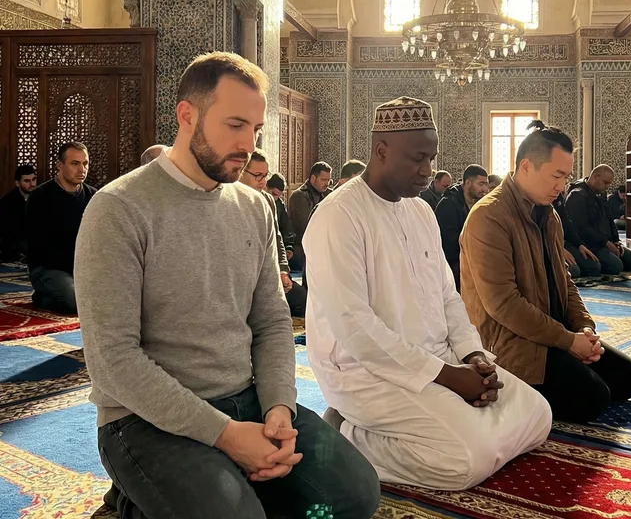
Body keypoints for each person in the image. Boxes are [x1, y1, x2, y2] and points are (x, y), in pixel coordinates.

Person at [74, 52, 379, 519]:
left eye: (254, 130)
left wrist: (279, 406)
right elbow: (113, 361)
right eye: (234, 125)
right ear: (187, 115)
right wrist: (224, 435)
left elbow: (273, 322)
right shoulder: (119, 209)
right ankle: (133, 501)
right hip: (144, 422)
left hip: (248, 402)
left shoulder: (253, 208)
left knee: (352, 496)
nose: (247, 145)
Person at [305, 97, 551, 490]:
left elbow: (448, 296)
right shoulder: (339, 215)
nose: (427, 171)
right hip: (364, 372)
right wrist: (452, 379)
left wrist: (472, 355)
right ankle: (348, 437)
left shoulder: (420, 211)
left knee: (538, 415)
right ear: (380, 151)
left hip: (442, 358)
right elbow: (356, 329)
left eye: (432, 159)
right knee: (463, 461)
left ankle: (446, 423)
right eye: (418, 158)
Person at [460, 124, 631, 423]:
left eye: (567, 177)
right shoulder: (488, 217)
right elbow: (503, 305)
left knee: (629, 378)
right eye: (556, 176)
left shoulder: (549, 215)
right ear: (526, 166)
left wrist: (584, 328)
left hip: (553, 332)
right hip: (510, 343)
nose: (562, 186)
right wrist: (568, 342)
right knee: (593, 398)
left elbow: (565, 281)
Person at [25, 142, 95, 315]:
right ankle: (42, 297)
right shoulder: (40, 197)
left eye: (85, 164)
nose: (81, 169)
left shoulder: (93, 196)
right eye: (75, 163)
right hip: (49, 268)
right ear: (59, 166)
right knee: (74, 302)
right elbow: (39, 245)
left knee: (118, 295)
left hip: (83, 268)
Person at [240, 150, 307, 317]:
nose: (263, 182)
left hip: (268, 273)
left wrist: (283, 270)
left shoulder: (268, 200)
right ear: (241, 172)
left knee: (302, 300)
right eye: (257, 176)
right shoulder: (230, 200)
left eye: (265, 176)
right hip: (243, 277)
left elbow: (277, 238)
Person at [565, 166, 631, 274]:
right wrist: (606, 243)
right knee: (616, 267)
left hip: (606, 242)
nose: (607, 187)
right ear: (595, 177)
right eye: (605, 183)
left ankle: (609, 258)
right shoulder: (577, 195)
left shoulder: (601, 193)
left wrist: (616, 241)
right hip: (591, 244)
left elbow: (609, 218)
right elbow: (582, 229)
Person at [435, 165, 491, 289]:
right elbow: (449, 244)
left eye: (486, 184)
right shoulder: (449, 204)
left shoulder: (476, 202)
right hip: (452, 272)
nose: (485, 189)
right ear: (467, 183)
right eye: (481, 184)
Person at [287, 161, 332, 275]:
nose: (326, 184)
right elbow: (308, 227)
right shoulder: (299, 196)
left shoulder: (327, 194)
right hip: (301, 249)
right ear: (313, 178)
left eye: (328, 180)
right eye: (323, 180)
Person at [553, 192, 601, 279]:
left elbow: (567, 223)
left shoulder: (557, 196)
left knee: (594, 267)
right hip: (548, 245)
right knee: (574, 271)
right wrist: (558, 249)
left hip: (562, 242)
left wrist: (579, 244)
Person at [0, 164, 37, 263]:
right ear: (17, 183)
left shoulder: (41, 198)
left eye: (34, 179)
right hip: (15, 248)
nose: (32, 184)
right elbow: (9, 233)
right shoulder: (7, 203)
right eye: (27, 181)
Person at [266, 173, 296, 260]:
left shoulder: (279, 204)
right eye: (273, 194)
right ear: (266, 187)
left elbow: (285, 227)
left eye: (278, 196)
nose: (275, 198)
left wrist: (288, 247)